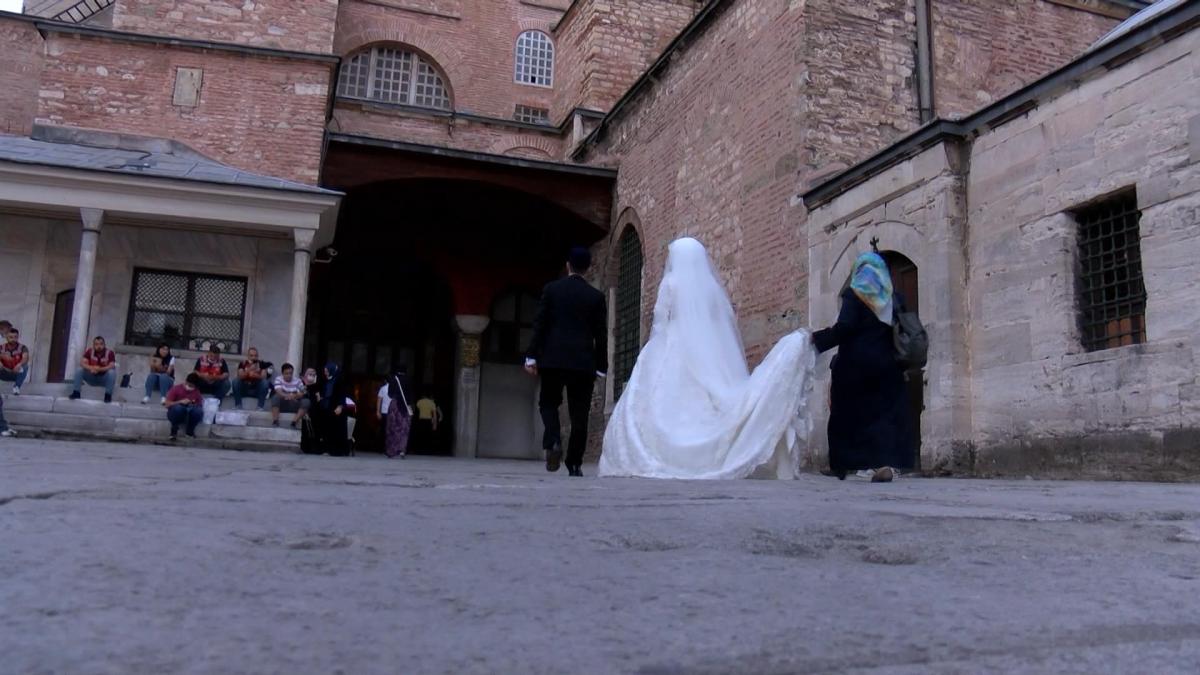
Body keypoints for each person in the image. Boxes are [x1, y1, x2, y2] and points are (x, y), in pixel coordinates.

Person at [598, 237, 815, 480]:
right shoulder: (712, 288)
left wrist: (654, 352)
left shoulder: (671, 283)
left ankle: (666, 455)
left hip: (673, 349)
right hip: (711, 353)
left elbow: (660, 322)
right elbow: (722, 325)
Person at [812, 251, 913, 483]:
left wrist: (817, 339)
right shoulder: (894, 297)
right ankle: (883, 463)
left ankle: (843, 465)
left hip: (855, 368)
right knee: (884, 417)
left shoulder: (855, 294)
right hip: (888, 366)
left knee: (845, 417)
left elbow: (844, 327)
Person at [525, 246, 608, 477]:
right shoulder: (596, 297)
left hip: (552, 359)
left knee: (548, 403)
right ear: (588, 268)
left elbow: (540, 325)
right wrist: (602, 367)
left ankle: (552, 440)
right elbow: (600, 335)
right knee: (579, 413)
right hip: (583, 362)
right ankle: (574, 463)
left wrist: (531, 356)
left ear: (568, 265)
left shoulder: (552, 290)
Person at [312, 362, 351, 456]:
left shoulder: (339, 381)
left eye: (327, 371)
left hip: (336, 408)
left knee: (336, 430)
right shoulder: (325, 380)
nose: (325, 373)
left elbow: (342, 394)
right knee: (326, 429)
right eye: (325, 371)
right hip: (326, 408)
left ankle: (336, 451)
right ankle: (325, 449)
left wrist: (340, 406)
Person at [69, 336, 118, 403]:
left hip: (104, 379)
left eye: (101, 344)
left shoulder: (110, 353)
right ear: (93, 345)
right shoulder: (89, 351)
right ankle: (76, 393)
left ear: (104, 345)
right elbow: (82, 363)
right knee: (79, 370)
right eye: (96, 344)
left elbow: (111, 366)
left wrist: (99, 369)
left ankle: (108, 395)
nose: (99, 346)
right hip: (91, 377)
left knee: (112, 372)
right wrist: (91, 368)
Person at [383, 366, 413, 459]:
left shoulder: (393, 379)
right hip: (406, 405)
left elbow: (390, 393)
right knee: (404, 428)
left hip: (395, 405)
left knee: (392, 427)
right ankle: (402, 450)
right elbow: (412, 393)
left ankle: (392, 450)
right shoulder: (409, 380)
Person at [164, 372, 205, 440]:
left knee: (199, 411)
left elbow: (199, 404)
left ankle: (189, 432)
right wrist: (180, 402)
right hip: (175, 413)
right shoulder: (176, 389)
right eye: (190, 385)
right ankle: (174, 431)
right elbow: (167, 404)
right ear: (186, 381)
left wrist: (192, 404)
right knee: (178, 408)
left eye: (193, 386)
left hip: (189, 413)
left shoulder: (196, 392)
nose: (190, 388)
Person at [269, 363, 310, 428]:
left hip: (294, 403)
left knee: (306, 401)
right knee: (275, 397)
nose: (289, 375)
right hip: (282, 404)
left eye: (290, 373)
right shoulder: (278, 379)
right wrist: (289, 395)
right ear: (282, 373)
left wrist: (294, 396)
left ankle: (294, 423)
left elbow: (303, 392)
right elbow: (279, 391)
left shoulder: (298, 381)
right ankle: (275, 421)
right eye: (286, 373)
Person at [0, 326, 31, 395]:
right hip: (4, 372)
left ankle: (16, 388)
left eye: (15, 337)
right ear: (6, 337)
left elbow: (25, 358)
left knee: (25, 366)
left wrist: (19, 364)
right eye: (11, 337)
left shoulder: (23, 347)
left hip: (16, 373)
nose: (13, 339)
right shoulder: (1, 348)